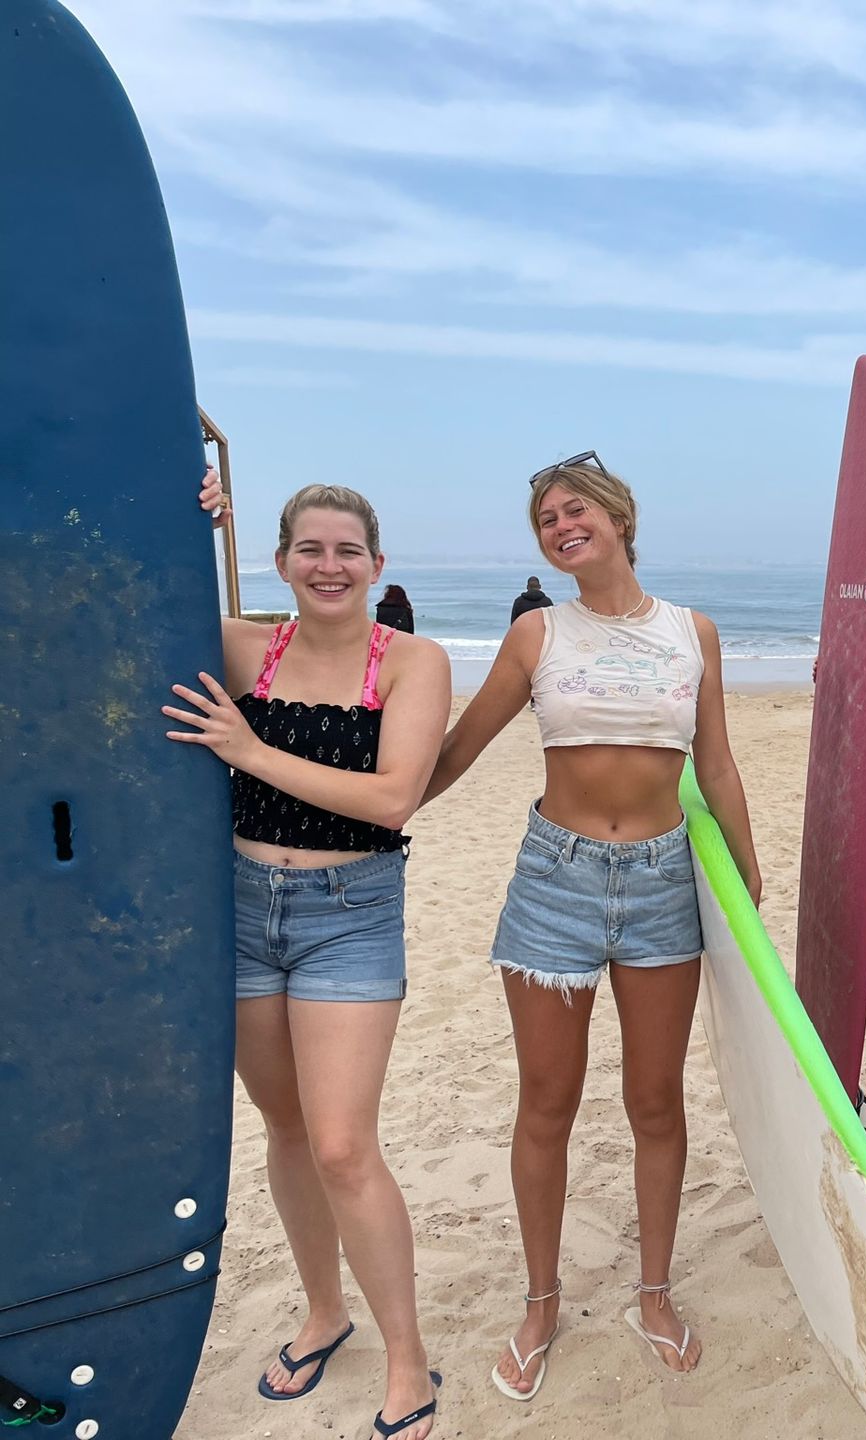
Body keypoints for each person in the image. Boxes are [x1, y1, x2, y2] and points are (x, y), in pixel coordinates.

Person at [425, 453, 760, 1397]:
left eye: (575, 509)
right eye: (544, 518)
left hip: (663, 884)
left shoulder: (692, 632)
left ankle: (653, 1291)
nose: (560, 525)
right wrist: (388, 805)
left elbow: (720, 765)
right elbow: (463, 740)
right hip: (554, 882)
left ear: (619, 517)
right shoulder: (537, 634)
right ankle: (540, 1302)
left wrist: (748, 868)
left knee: (656, 1102)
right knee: (547, 1102)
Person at [166, 468, 452, 1440]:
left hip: (350, 908)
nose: (329, 565)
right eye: (310, 548)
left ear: (377, 564)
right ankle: (325, 1312)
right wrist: (179, 509)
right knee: (286, 1131)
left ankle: (406, 1353)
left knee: (342, 1144)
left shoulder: (412, 662)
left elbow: (392, 798)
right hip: (242, 908)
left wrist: (245, 750)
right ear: (280, 559)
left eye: (348, 550)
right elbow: (141, 606)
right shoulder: (246, 647)